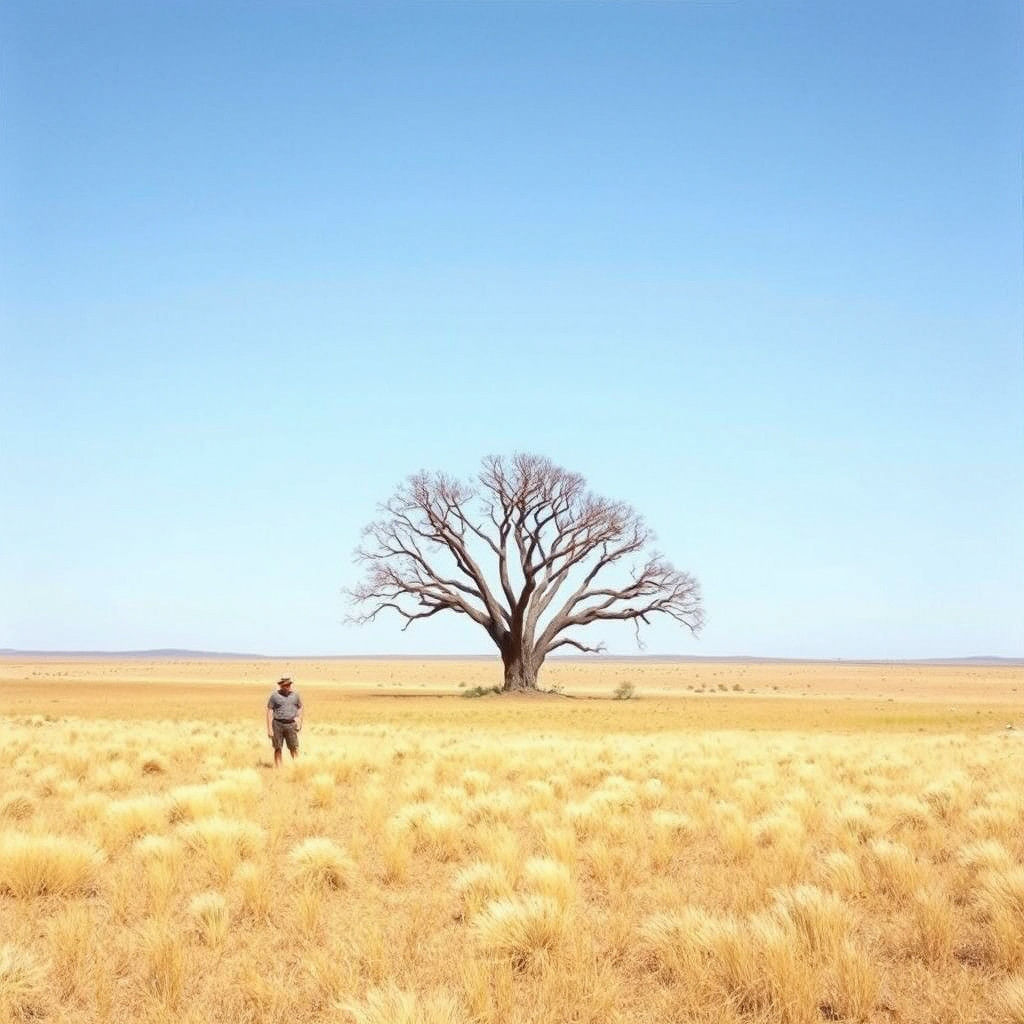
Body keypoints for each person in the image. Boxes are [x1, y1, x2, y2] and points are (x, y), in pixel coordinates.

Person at [266, 676, 303, 766]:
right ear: (281, 686)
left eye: (289, 684)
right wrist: (270, 729)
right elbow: (269, 711)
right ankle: (279, 767)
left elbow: (300, 707)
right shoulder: (274, 696)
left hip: (291, 725)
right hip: (277, 724)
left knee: (293, 747)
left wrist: (299, 721)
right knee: (278, 748)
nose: (288, 686)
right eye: (286, 685)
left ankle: (297, 766)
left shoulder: (295, 695)